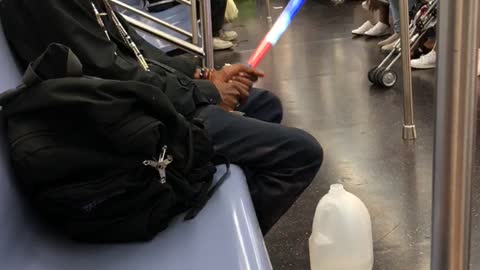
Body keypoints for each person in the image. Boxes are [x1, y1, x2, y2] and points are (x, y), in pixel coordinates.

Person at [0, 0, 323, 234]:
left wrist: (205, 73)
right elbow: (105, 71)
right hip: (107, 124)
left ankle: (209, 201)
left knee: (263, 104)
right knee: (297, 154)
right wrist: (204, 93)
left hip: (127, 102)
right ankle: (218, 243)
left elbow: (132, 49)